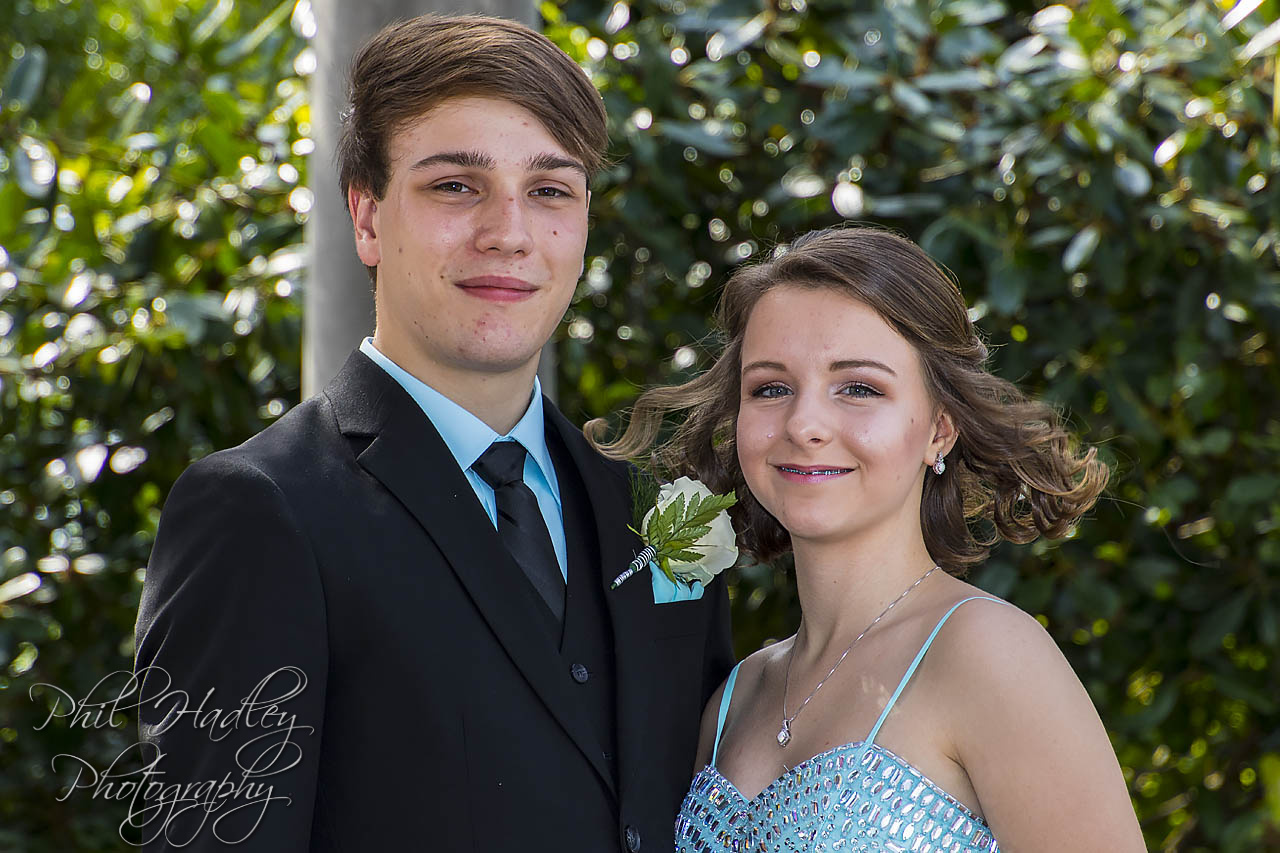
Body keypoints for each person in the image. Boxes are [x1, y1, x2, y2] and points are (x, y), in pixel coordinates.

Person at [133, 15, 732, 852]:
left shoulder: (653, 512)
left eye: (549, 191)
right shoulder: (257, 511)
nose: (509, 232)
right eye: (456, 185)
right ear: (367, 217)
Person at [589, 226, 1146, 850]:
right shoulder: (733, 701)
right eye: (771, 388)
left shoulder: (988, 653)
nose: (804, 424)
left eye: (859, 388)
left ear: (939, 429)